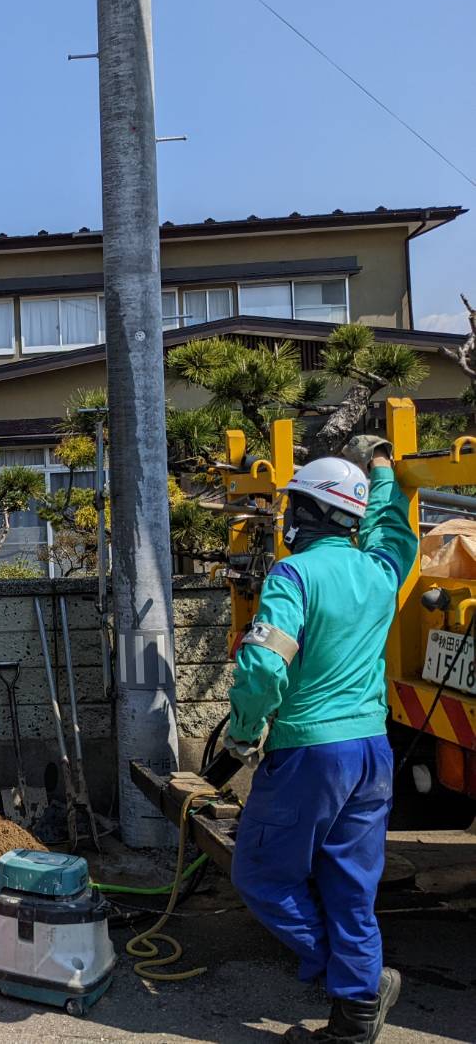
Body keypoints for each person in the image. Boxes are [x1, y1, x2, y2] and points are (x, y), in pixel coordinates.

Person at [226, 434, 416, 1044]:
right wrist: (383, 468)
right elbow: (394, 528)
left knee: (262, 876)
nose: (285, 516)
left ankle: (344, 973)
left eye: (292, 505)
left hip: (310, 752)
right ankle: (356, 1012)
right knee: (350, 884)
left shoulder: (294, 574)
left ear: (307, 511)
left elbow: (261, 668)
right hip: (373, 751)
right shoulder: (383, 571)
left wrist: (244, 733)